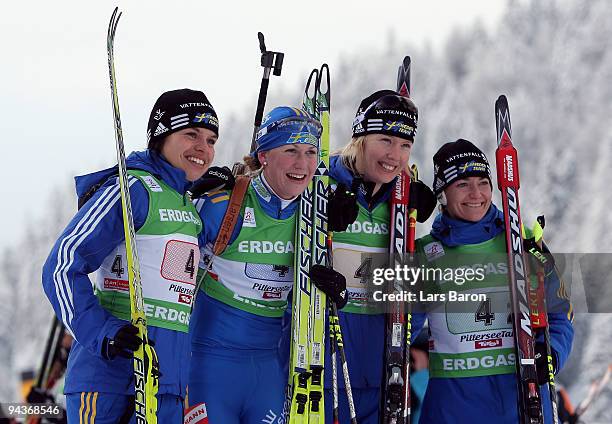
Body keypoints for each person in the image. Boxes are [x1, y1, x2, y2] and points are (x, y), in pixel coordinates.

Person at [42, 88, 223, 423]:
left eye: (211, 140)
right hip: (109, 379)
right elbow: (62, 265)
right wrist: (103, 332)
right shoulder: (133, 189)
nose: (203, 148)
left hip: (165, 384)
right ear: (161, 136)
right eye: (191, 135)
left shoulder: (189, 208)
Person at [187, 106, 348, 424]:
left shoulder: (313, 217)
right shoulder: (224, 205)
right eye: (290, 150)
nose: (302, 163)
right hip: (208, 364)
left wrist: (334, 293)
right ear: (263, 156)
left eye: (310, 152)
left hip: (267, 370)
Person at [413, 138, 574, 423]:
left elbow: (559, 315)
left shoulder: (523, 244)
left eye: (482, 182)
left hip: (525, 406)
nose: (476, 193)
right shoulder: (426, 254)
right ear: (442, 194)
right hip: (453, 411)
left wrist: (550, 355)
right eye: (462, 184)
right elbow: (398, 330)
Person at [299, 89, 435, 423]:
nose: (395, 155)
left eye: (405, 145)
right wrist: (314, 213)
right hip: (323, 367)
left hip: (382, 375)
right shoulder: (317, 181)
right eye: (386, 141)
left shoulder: (405, 205)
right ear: (360, 138)